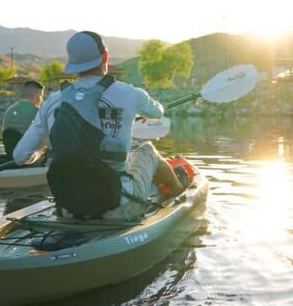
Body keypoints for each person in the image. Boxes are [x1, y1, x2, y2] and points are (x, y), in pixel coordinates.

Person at [14, 31, 184, 220]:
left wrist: (43, 148)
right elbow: (157, 112)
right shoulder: (129, 93)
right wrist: (136, 110)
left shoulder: (53, 100)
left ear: (73, 64)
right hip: (116, 205)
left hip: (69, 206)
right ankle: (178, 192)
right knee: (147, 149)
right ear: (105, 56)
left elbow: (20, 156)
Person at [0, 80, 44, 158]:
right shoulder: (38, 112)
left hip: (10, 154)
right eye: (41, 96)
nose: (42, 100)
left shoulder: (9, 110)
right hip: (29, 157)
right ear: (34, 95)